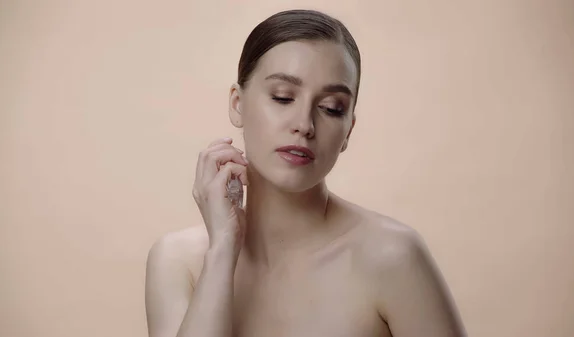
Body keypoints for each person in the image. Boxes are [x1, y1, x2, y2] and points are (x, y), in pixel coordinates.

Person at [145, 9, 467, 337]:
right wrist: (223, 249)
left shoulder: (393, 258)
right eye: (283, 97)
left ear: (348, 131)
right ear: (237, 103)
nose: (304, 124)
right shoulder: (178, 261)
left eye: (331, 108)